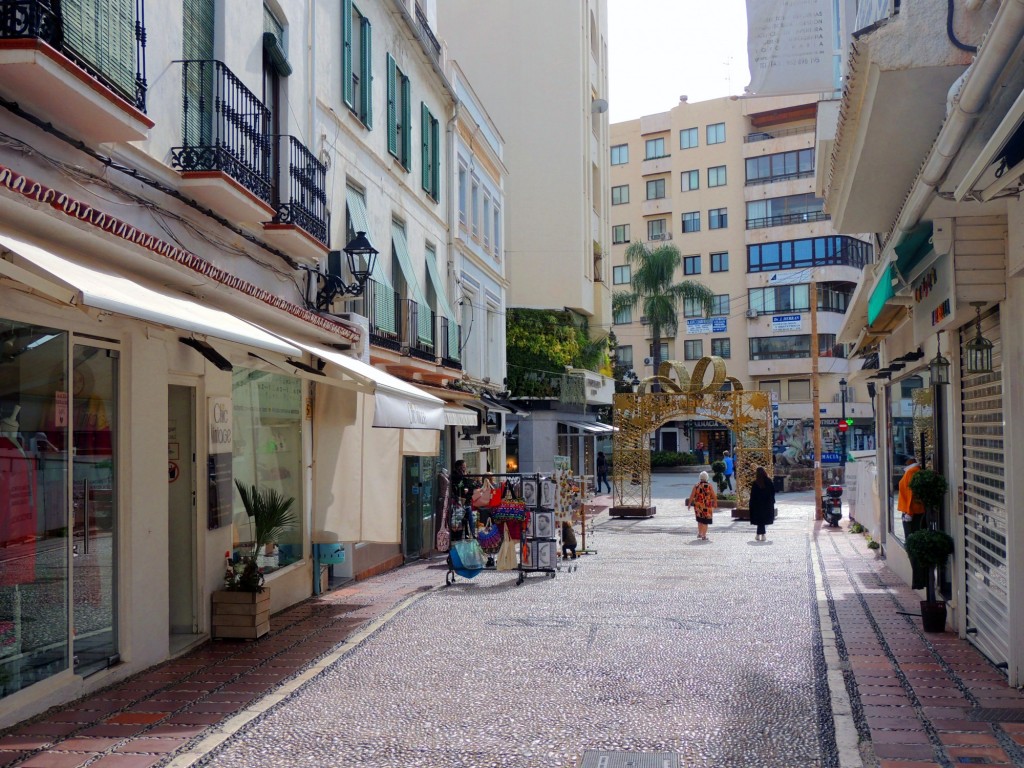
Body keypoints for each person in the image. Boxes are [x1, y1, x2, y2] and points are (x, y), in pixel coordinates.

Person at [897, 454, 925, 538]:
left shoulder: (911, 472)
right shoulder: (914, 470)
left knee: (910, 535)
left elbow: (910, 493)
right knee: (914, 533)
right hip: (913, 509)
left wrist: (909, 513)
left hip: (911, 510)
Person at [687, 471, 717, 541]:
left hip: (698, 505)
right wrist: (715, 503)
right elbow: (714, 495)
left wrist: (689, 504)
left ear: (700, 477)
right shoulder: (709, 486)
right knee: (705, 521)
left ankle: (700, 533)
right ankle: (704, 535)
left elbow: (692, 495)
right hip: (707, 506)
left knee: (700, 520)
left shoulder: (696, 486)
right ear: (707, 477)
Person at [749, 465, 776, 541]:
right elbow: (773, 492)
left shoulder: (755, 483)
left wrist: (751, 503)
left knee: (760, 520)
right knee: (763, 520)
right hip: (767, 504)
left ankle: (759, 535)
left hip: (757, 504)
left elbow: (753, 494)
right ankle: (762, 535)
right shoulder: (769, 481)